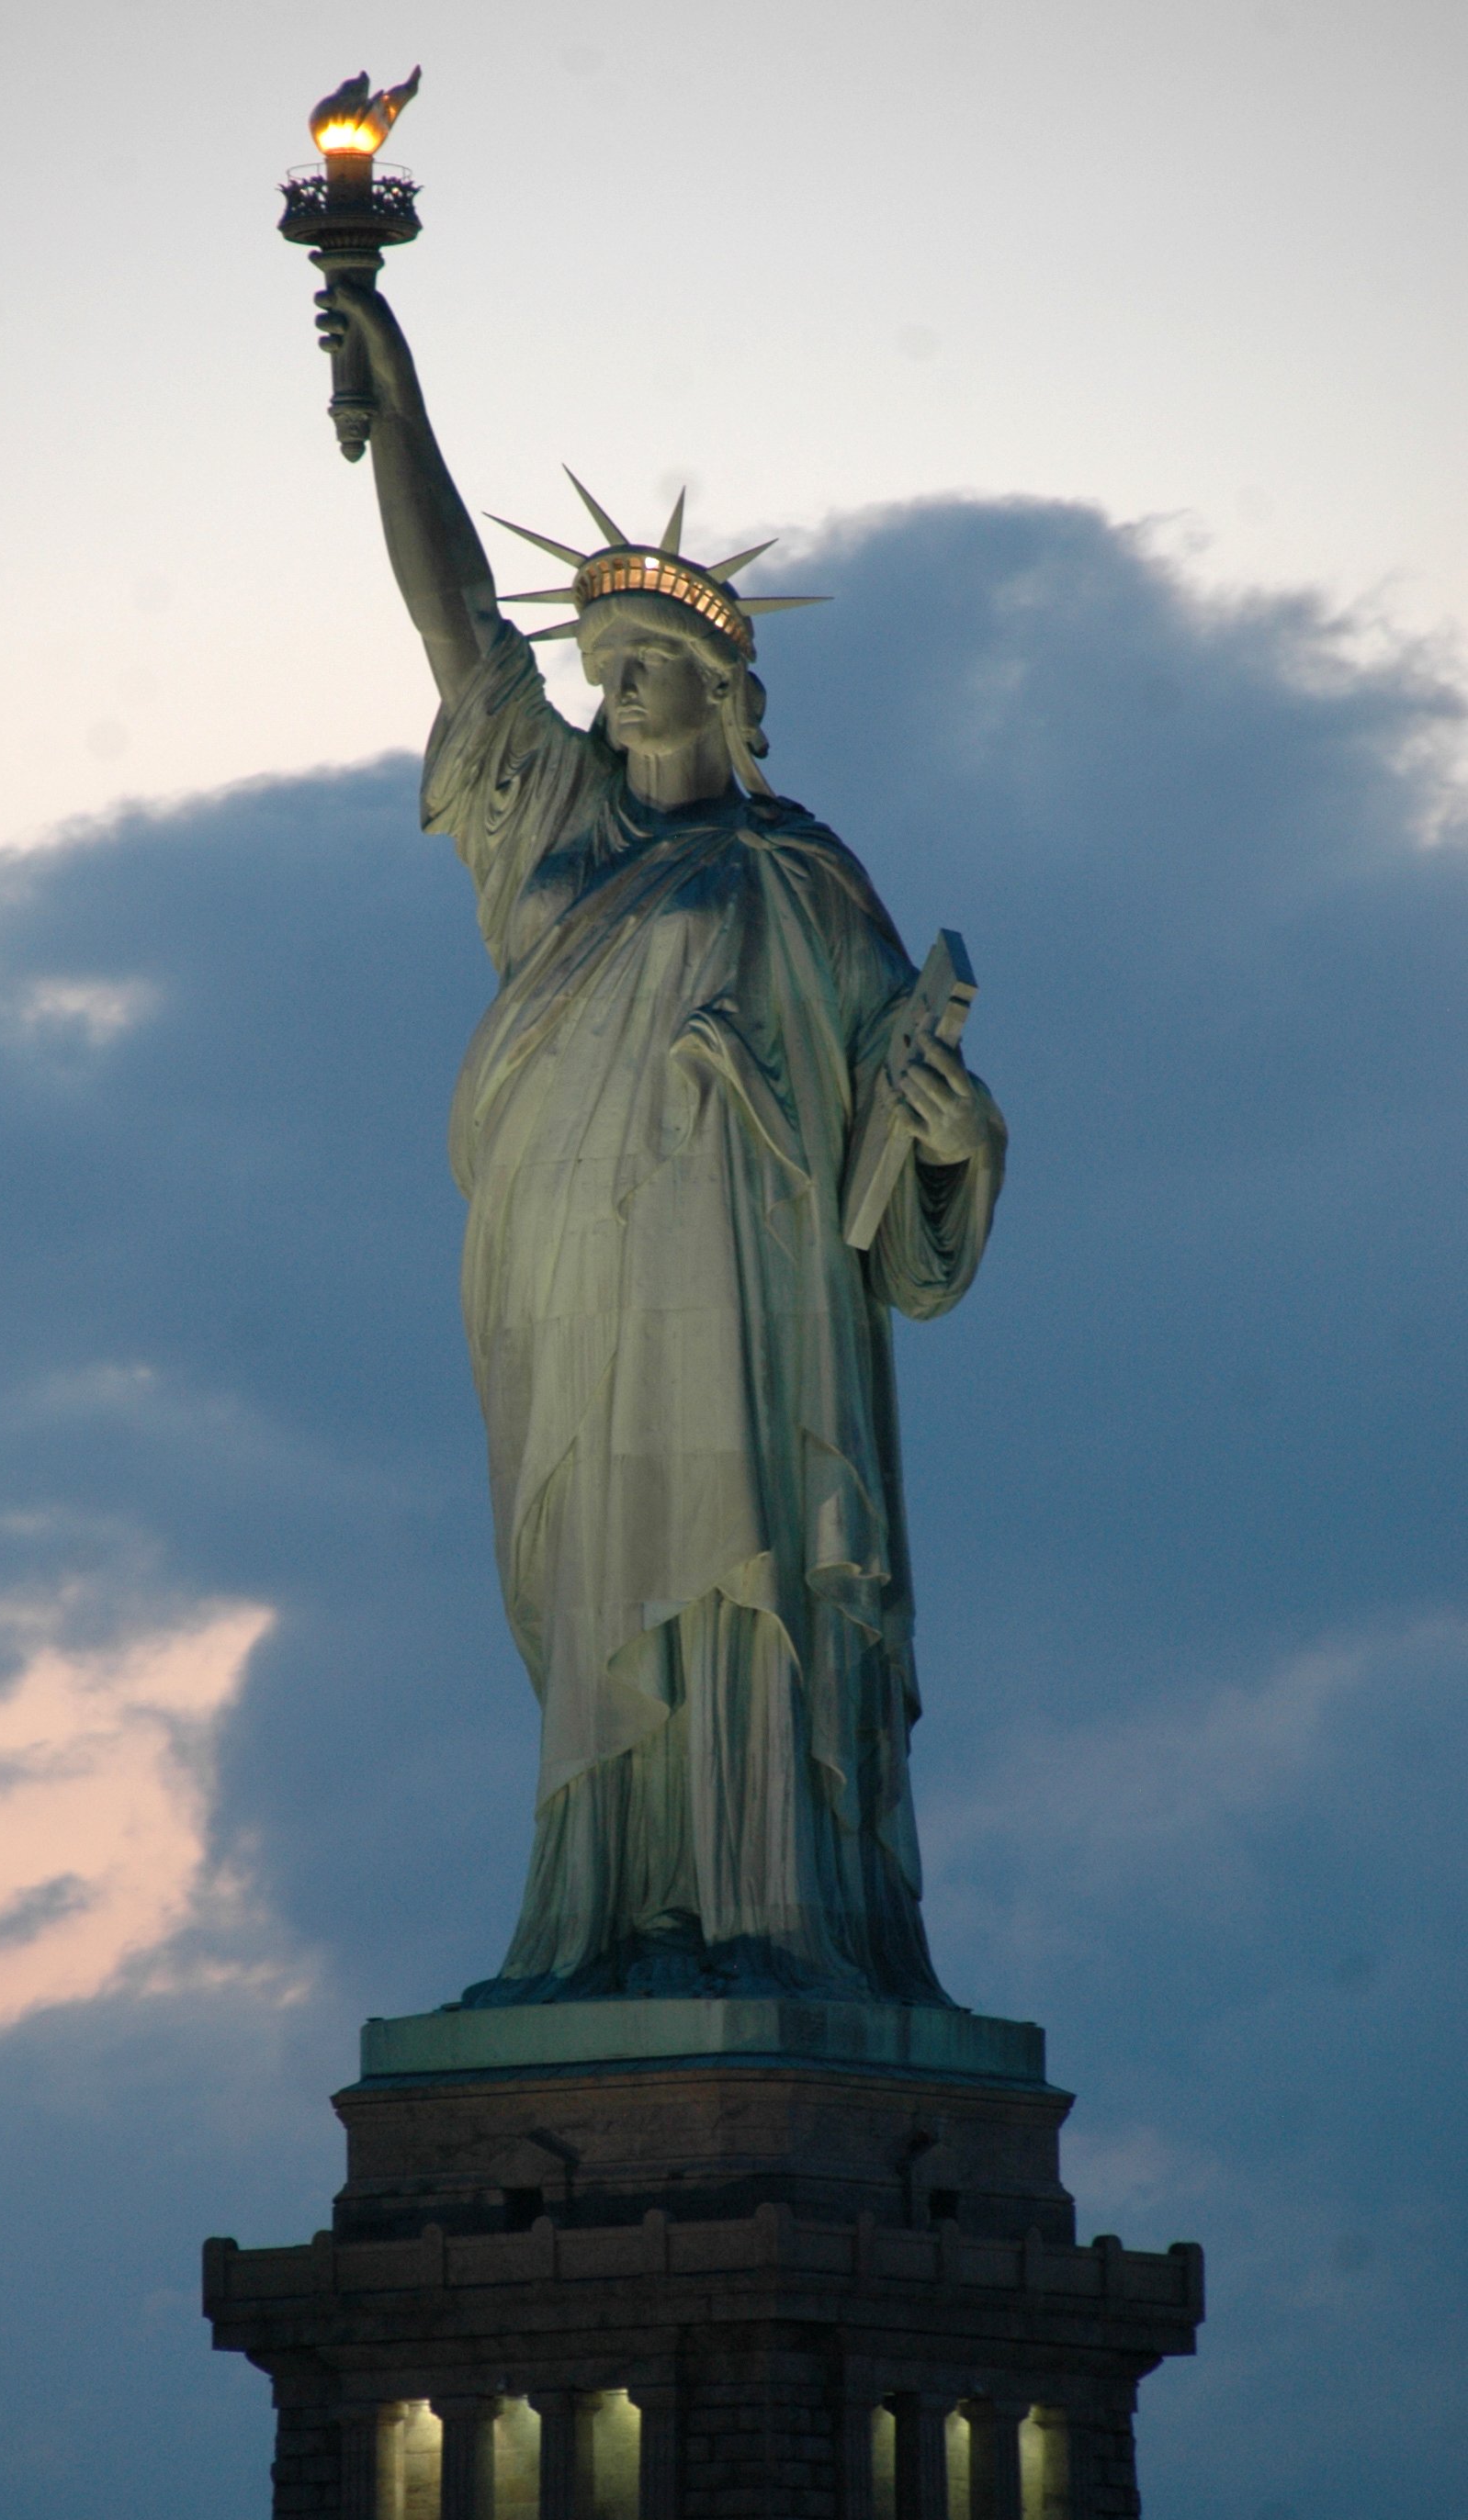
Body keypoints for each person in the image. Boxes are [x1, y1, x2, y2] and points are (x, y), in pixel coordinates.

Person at [316, 281, 1007, 2006]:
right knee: (603, 1578)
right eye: (602, 670)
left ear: (723, 689)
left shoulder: (804, 878)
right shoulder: (550, 817)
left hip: (755, 1293)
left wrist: (953, 1135)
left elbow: (899, 1155)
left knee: (749, 1561)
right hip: (573, 1270)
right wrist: (398, 407)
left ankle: (770, 1906)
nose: (614, 694)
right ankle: (606, 1921)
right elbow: (460, 628)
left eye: (645, 669)